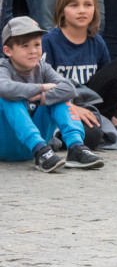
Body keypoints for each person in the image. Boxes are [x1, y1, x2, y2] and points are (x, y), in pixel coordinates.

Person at [0, 16, 103, 171]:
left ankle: (76, 147)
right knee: (9, 97)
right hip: (6, 144)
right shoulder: (4, 69)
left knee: (59, 97)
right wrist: (40, 87)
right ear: (8, 50)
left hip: (35, 148)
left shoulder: (42, 67)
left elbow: (69, 89)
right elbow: (5, 88)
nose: (33, 51)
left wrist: (43, 97)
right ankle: (40, 149)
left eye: (37, 44)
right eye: (25, 46)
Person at [42, 0, 117, 142]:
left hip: (90, 103)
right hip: (60, 106)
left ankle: (100, 121)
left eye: (88, 5)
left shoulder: (97, 41)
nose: (82, 11)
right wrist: (70, 108)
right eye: (74, 5)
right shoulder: (49, 41)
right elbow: (42, 89)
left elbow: (110, 84)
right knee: (92, 136)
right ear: (61, 11)